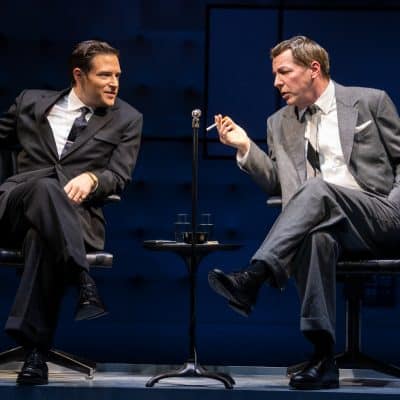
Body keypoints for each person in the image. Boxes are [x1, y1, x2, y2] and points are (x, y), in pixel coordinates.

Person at [208, 35, 400, 390]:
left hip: (380, 216)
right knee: (315, 239)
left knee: (316, 188)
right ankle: (323, 357)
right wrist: (245, 147)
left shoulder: (370, 101)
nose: (276, 82)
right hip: (330, 224)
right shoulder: (279, 123)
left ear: (313, 69)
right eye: (275, 75)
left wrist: (396, 204)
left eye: (284, 72)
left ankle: (254, 276)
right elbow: (276, 184)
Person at [0, 40, 142, 385]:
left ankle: (35, 353)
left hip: (72, 219)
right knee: (45, 187)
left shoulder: (128, 119)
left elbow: (119, 176)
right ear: (79, 75)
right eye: (105, 75)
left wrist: (93, 178)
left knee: (41, 237)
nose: (114, 83)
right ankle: (82, 277)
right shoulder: (30, 102)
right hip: (16, 207)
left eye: (118, 75)